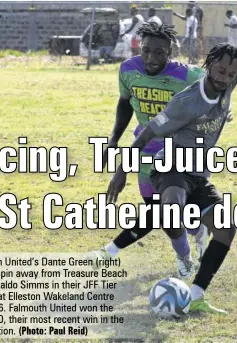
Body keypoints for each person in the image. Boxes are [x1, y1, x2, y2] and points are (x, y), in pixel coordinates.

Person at [107, 3, 237, 315]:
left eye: (232, 73)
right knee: (170, 209)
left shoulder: (230, 81)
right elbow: (146, 135)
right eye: (221, 71)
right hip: (170, 170)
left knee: (227, 229)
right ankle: (183, 256)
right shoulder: (187, 101)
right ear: (209, 66)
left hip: (198, 175)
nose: (225, 77)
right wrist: (121, 171)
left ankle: (196, 294)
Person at [90, 22, 215, 280]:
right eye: (146, 50)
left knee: (169, 212)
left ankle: (184, 251)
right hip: (144, 151)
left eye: (159, 52)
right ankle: (190, 249)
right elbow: (125, 103)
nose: (151, 58)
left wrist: (221, 111)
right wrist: (113, 141)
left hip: (178, 153)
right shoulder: (128, 70)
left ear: (170, 52)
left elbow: (213, 93)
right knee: (159, 210)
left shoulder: (187, 76)